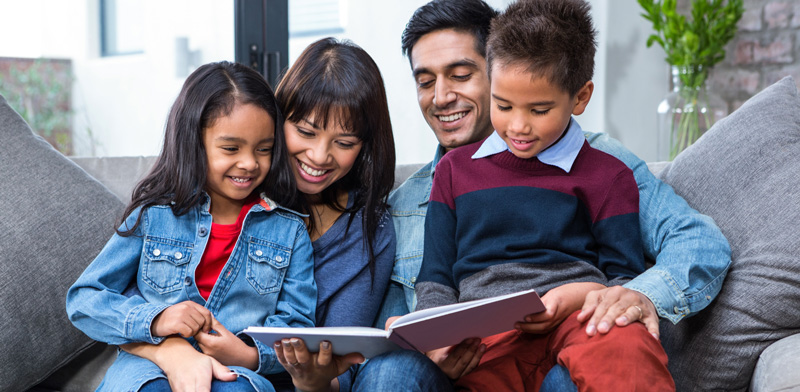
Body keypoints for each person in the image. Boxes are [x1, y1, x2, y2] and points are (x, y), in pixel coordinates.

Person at [376, 0, 731, 387]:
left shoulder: (608, 168)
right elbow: (434, 283)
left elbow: (627, 276)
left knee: (618, 341)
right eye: (425, 82)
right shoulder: (430, 186)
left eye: (460, 74)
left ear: (578, 98)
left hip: (576, 321)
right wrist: (427, 337)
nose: (442, 96)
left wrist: (586, 295)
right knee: (399, 368)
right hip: (485, 344)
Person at [116, 39, 450, 392]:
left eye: (345, 142)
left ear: (366, 145)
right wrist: (173, 353)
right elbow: (123, 304)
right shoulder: (234, 189)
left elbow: (344, 361)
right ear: (277, 118)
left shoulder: (371, 227)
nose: (320, 156)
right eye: (305, 132)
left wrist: (310, 380)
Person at [65, 61, 317, 392]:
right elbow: (85, 299)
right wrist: (156, 320)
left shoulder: (290, 231)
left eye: (264, 150)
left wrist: (249, 356)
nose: (250, 163)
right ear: (194, 142)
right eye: (231, 148)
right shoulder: (154, 215)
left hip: (234, 373)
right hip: (149, 365)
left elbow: (296, 327)